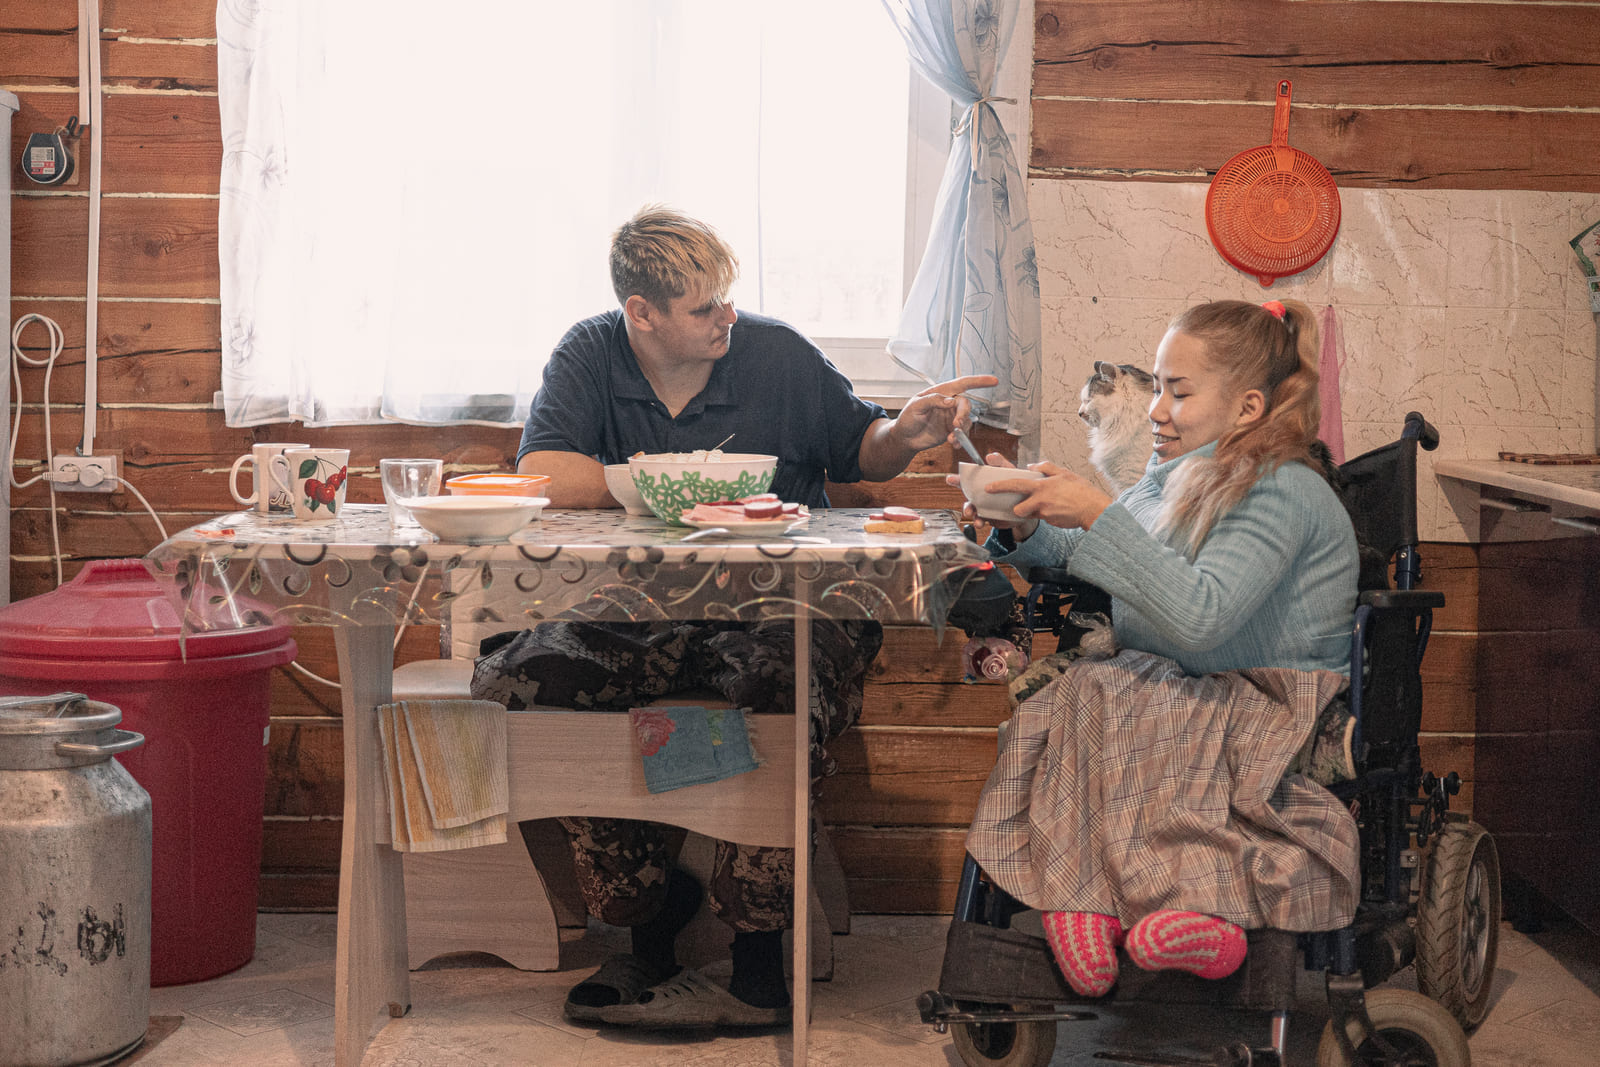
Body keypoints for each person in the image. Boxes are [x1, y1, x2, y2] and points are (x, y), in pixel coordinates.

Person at [479, 205, 995, 1028]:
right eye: (702, 307)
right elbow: (541, 470)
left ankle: (757, 957)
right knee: (525, 678)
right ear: (641, 313)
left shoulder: (776, 353)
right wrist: (668, 483)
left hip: (787, 608)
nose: (727, 316)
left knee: (780, 687)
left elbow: (861, 447)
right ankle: (649, 918)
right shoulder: (589, 352)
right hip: (644, 612)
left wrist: (907, 430)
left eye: (727, 296)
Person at [958, 298, 1361, 998]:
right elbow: (1106, 553)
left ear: (1247, 407)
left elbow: (1201, 618)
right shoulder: (1172, 475)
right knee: (1089, 689)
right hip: (1177, 679)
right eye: (1158, 387)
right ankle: (1082, 900)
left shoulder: (1283, 490)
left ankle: (1203, 915)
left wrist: (1098, 512)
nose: (1155, 410)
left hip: (1261, 695)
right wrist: (1024, 522)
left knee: (1117, 694)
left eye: (1178, 392)